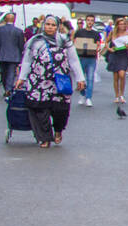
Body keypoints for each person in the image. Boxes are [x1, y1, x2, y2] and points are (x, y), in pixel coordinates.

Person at [14, 14, 86, 148]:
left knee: (60, 111)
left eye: (53, 25)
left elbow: (73, 60)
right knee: (39, 110)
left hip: (59, 82)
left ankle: (58, 130)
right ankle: (45, 137)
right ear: (43, 25)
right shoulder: (34, 41)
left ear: (58, 27)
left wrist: (80, 78)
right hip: (38, 82)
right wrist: (21, 78)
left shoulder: (64, 41)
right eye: (47, 24)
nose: (50, 27)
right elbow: (27, 60)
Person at [102, 16, 128, 104]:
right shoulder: (113, 33)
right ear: (117, 25)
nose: (122, 26)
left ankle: (122, 95)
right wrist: (109, 49)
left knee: (122, 74)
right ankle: (116, 95)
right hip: (114, 54)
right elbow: (106, 42)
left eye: (124, 24)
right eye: (120, 24)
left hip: (123, 55)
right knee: (115, 76)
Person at [0, 12, 26, 97]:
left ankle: (6, 88)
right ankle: (8, 89)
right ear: (14, 20)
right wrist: (22, 54)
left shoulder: (0, 30)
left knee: (4, 73)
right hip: (14, 56)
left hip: (2, 55)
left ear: (5, 19)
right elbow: (21, 45)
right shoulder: (19, 31)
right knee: (11, 73)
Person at [72, 14, 101, 106]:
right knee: (80, 78)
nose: (90, 22)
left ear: (93, 22)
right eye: (88, 20)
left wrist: (98, 48)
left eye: (92, 20)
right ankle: (82, 94)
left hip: (91, 58)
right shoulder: (79, 32)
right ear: (86, 21)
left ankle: (88, 97)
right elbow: (74, 43)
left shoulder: (96, 34)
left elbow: (98, 45)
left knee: (90, 78)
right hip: (80, 57)